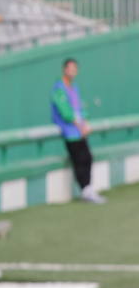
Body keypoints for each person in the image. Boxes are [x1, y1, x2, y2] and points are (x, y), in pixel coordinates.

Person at [52, 58, 103, 203]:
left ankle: (88, 188)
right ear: (64, 69)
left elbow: (79, 109)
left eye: (75, 69)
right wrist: (80, 126)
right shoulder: (58, 88)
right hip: (70, 132)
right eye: (70, 68)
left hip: (79, 131)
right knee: (79, 160)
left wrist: (85, 123)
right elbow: (66, 112)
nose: (73, 71)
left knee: (88, 157)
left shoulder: (74, 88)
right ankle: (85, 190)